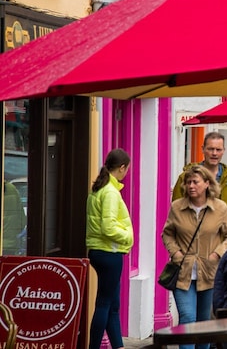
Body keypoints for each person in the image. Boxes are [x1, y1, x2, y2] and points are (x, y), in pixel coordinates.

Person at [162, 165, 227, 349]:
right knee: (188, 318)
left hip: (210, 273)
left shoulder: (220, 208)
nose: (190, 186)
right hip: (183, 273)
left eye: (195, 182)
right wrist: (176, 253)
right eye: (188, 182)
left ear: (206, 184)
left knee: (204, 325)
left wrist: (217, 253)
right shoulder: (177, 207)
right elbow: (167, 233)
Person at [86, 149, 133, 349]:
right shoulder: (111, 193)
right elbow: (108, 227)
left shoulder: (99, 189)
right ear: (121, 168)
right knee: (104, 304)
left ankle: (118, 346)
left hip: (98, 251)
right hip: (109, 252)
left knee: (112, 305)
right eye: (127, 169)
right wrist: (128, 236)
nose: (126, 173)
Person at [173, 132, 227, 231]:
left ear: (224, 151)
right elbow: (177, 208)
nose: (214, 153)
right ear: (203, 149)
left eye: (218, 150)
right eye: (210, 149)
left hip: (224, 240)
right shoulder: (186, 177)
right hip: (194, 237)